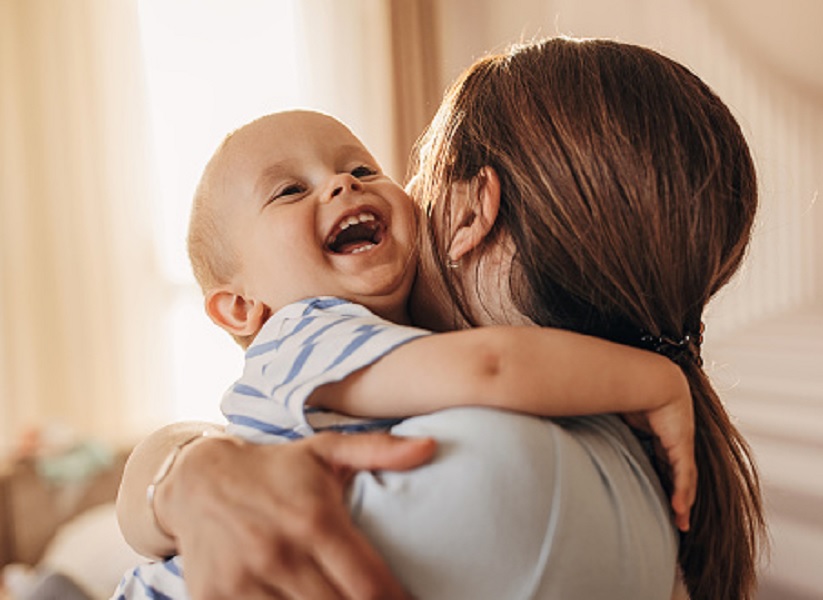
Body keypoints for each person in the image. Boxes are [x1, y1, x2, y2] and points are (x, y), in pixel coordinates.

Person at [117, 36, 765, 600]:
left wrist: (176, 472)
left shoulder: (509, 467)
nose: (343, 187)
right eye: (290, 190)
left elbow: (493, 368)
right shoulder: (307, 327)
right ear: (238, 306)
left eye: (364, 168)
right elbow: (491, 367)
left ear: (470, 211)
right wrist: (655, 377)